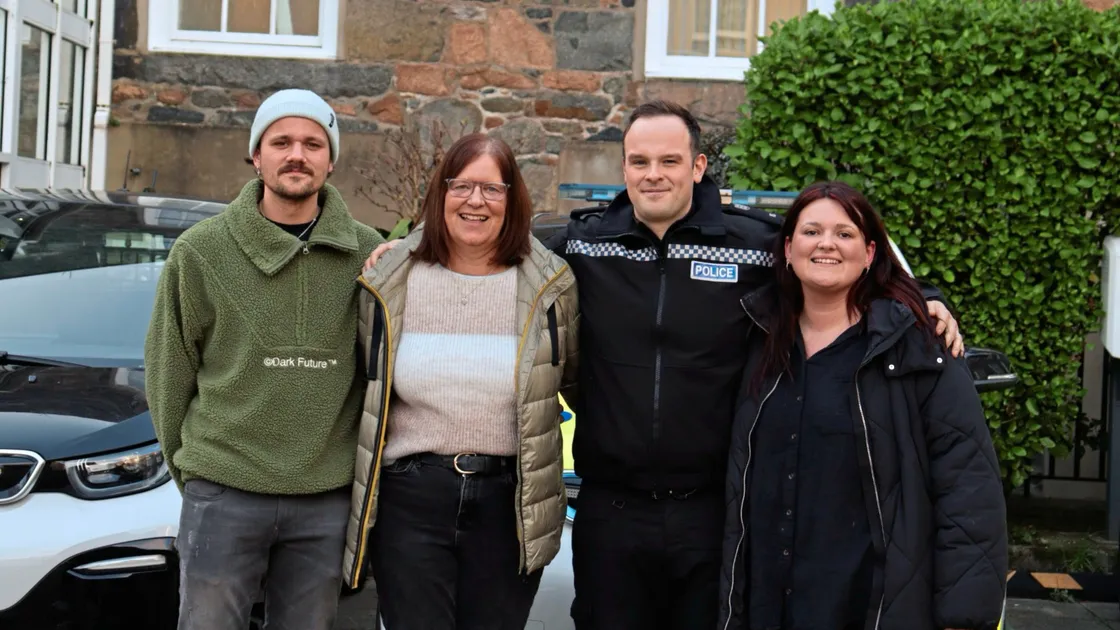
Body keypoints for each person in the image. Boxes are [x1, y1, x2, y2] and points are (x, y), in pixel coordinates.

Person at [362, 100, 962, 629]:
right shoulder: (581, 245)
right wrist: (404, 248)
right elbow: (489, 233)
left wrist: (925, 298)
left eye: (670, 161)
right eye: (640, 161)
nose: (654, 174)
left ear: (698, 167)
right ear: (624, 168)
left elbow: (834, 259)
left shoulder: (754, 246)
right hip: (607, 509)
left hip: (713, 509)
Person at [144, 88, 385, 630]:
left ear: (331, 158)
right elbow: (167, 375)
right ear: (257, 155)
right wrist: (199, 478)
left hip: (325, 500)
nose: (296, 154)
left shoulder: (366, 253)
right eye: (280, 141)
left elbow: (384, 370)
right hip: (224, 492)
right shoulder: (201, 251)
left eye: (312, 143)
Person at [718, 181, 1007, 630]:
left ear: (870, 253)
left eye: (845, 233)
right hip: (767, 604)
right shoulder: (755, 339)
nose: (827, 244)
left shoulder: (916, 347)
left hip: (870, 606)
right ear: (789, 248)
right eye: (811, 232)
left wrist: (964, 616)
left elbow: (968, 485)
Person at [340, 133, 579, 629]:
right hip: (410, 502)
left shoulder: (552, 285)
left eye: (492, 189)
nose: (476, 201)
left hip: (509, 505)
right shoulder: (391, 279)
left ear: (512, 199)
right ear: (440, 193)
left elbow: (575, 380)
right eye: (462, 185)